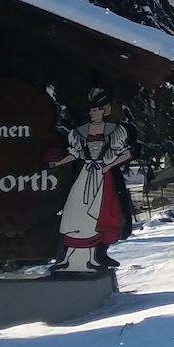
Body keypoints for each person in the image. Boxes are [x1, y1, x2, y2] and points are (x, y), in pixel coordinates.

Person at [49, 88, 132, 273]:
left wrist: (108, 165)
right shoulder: (81, 132)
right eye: (91, 110)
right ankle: (68, 258)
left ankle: (96, 255)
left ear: (104, 111)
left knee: (100, 213)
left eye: (96, 109)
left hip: (104, 176)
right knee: (77, 213)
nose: (93, 113)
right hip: (86, 174)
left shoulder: (114, 131)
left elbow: (124, 153)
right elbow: (75, 153)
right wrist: (58, 163)